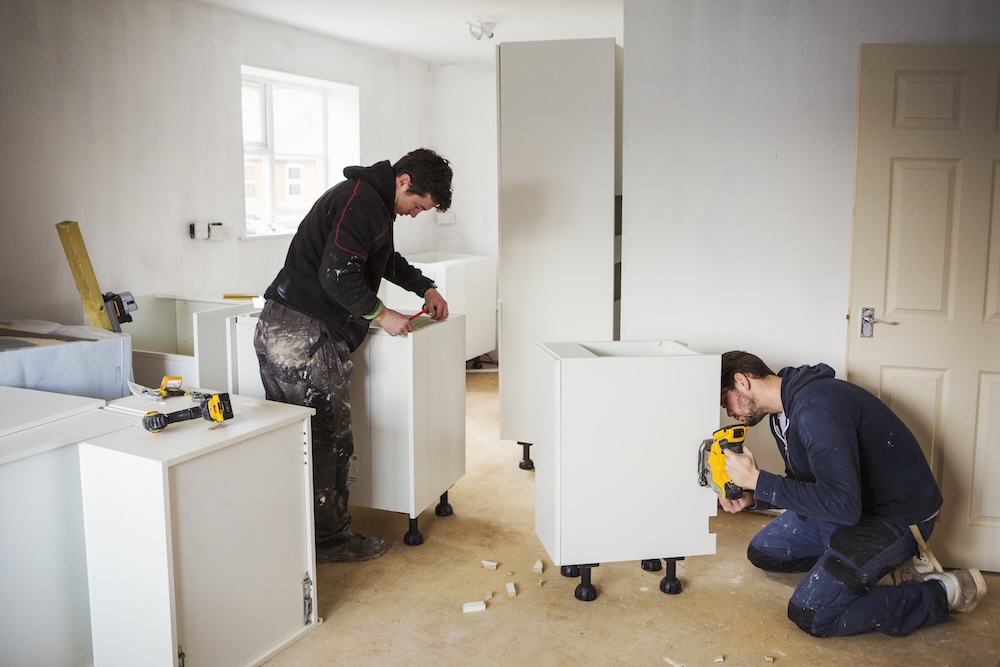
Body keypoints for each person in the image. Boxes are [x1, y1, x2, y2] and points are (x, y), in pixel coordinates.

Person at [255, 148, 453, 563]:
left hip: (283, 326)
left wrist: (425, 287)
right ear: (403, 181)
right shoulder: (362, 201)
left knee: (298, 440)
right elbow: (337, 275)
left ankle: (298, 534)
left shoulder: (370, 201)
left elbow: (383, 261)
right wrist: (383, 314)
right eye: (417, 205)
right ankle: (329, 541)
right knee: (327, 440)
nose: (415, 214)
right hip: (303, 333)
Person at [717, 350, 987, 637]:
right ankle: (847, 564)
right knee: (763, 552)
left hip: (893, 517)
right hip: (849, 506)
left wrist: (758, 479)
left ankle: (939, 592)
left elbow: (843, 504)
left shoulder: (816, 407)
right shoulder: (781, 414)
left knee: (811, 614)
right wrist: (753, 496)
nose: (729, 413)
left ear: (742, 381)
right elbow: (805, 483)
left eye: (726, 401)